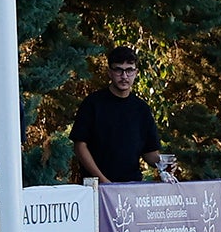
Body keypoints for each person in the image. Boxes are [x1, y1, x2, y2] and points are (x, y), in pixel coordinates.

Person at [71, 46, 165, 183]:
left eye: (129, 70)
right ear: (109, 72)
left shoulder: (142, 109)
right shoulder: (93, 104)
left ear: (136, 72)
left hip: (132, 186)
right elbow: (80, 146)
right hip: (96, 188)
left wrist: (164, 164)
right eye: (118, 70)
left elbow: (150, 153)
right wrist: (103, 181)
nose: (124, 76)